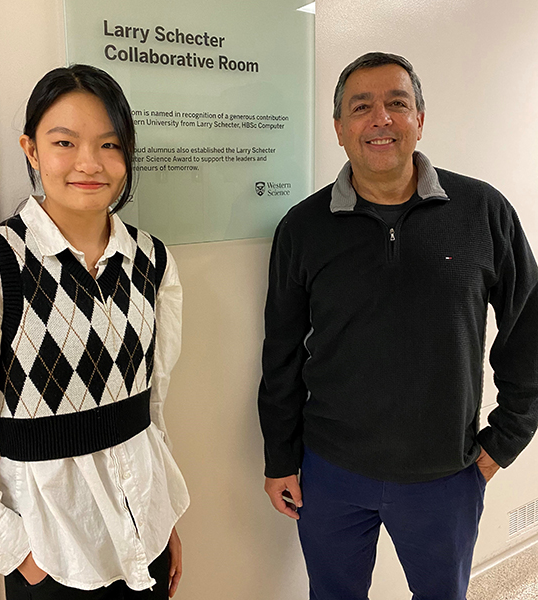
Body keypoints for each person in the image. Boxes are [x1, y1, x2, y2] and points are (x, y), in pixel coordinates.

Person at [258, 52, 538, 600]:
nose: (380, 119)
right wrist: (280, 458)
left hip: (446, 476)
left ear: (419, 119)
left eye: (397, 103)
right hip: (330, 472)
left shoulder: (482, 211)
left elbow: (528, 327)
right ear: (339, 128)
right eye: (361, 107)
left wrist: (507, 437)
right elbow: (282, 354)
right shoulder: (303, 228)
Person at [0, 64, 189, 599]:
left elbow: (151, 408)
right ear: (31, 150)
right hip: (54, 560)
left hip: (147, 542)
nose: (89, 163)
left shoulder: (152, 261)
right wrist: (16, 552)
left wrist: (163, 515)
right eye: (64, 142)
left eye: (109, 144)